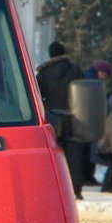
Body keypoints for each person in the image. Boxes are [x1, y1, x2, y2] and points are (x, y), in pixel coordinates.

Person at [36, 42, 85, 199]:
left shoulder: (43, 73)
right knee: (74, 155)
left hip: (52, 119)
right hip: (74, 119)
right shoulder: (75, 70)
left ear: (51, 55)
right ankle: (75, 189)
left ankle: (53, 190)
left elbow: (37, 97)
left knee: (53, 155)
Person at [81, 60, 112, 184]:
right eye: (105, 75)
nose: (104, 78)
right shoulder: (93, 81)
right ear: (100, 72)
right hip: (89, 120)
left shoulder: (87, 76)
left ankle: (87, 176)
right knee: (89, 150)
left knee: (87, 150)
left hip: (84, 120)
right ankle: (88, 176)